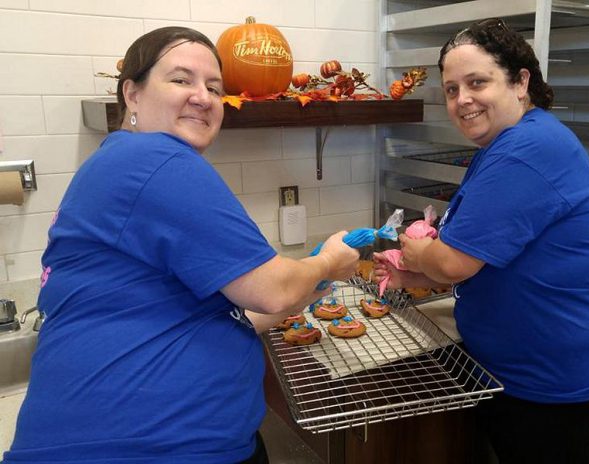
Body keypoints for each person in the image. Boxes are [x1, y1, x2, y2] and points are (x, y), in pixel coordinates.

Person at [3, 27, 358, 464]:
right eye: (181, 80)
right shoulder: (157, 160)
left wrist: (305, 291)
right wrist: (326, 263)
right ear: (131, 94)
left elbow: (205, 313)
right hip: (142, 447)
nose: (203, 97)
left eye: (214, 87)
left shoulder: (116, 163)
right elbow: (271, 288)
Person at [374, 18, 589, 464]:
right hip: (533, 377)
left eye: (477, 82)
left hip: (566, 389)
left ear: (521, 82)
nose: (462, 99)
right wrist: (419, 274)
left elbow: (454, 263)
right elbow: (491, 258)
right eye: (450, 89)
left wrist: (420, 251)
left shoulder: (526, 149)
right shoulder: (505, 145)